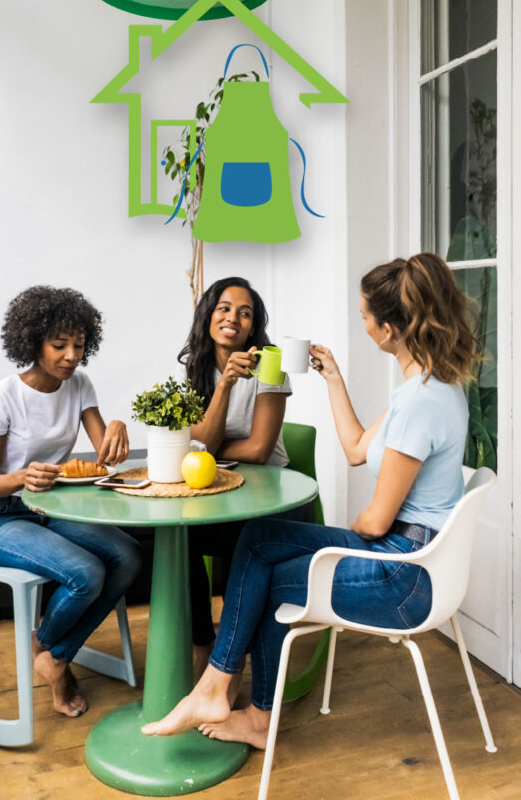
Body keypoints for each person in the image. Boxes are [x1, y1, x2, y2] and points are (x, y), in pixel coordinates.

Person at [142, 252, 478, 747]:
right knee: (257, 540)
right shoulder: (426, 386)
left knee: (271, 574)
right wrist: (334, 379)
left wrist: (332, 540)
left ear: (388, 330)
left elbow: (374, 523)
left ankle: (245, 708)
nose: (361, 324)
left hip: (404, 572)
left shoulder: (420, 402)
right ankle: (218, 687)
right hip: (409, 555)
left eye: (364, 315)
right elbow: (358, 449)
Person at [0, 286, 142, 718]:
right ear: (33, 342)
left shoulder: (79, 384)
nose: (71, 356)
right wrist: (22, 477)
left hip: (50, 508)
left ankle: (50, 651)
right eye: (59, 345)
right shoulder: (0, 396)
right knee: (86, 573)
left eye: (79, 346)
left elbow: (106, 460)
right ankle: (57, 661)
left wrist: (116, 425)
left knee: (129, 555)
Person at [176, 277, 311, 680]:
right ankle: (204, 643)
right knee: (178, 540)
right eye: (224, 308)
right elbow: (199, 443)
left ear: (253, 327)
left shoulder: (271, 366)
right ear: (208, 316)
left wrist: (207, 448)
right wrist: (226, 386)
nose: (233, 317)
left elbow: (257, 451)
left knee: (242, 545)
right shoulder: (196, 368)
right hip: (221, 494)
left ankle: (231, 661)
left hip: (274, 500)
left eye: (245, 312)